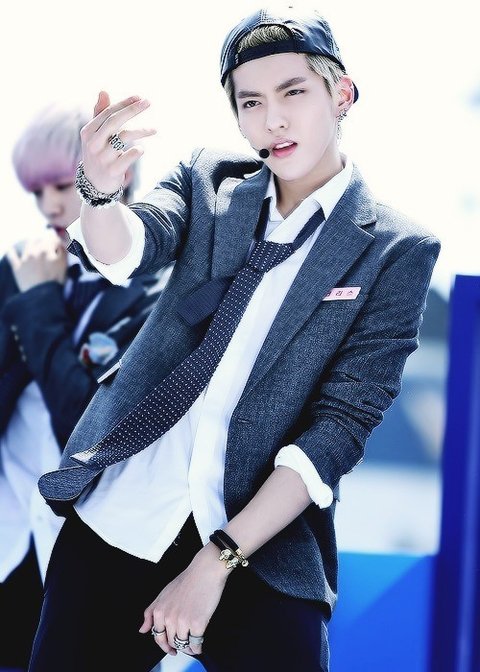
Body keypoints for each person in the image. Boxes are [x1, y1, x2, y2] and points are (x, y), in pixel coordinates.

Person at [30, 8, 440, 672]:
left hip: (263, 542)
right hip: (123, 513)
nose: (272, 119)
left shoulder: (396, 248)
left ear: (341, 94)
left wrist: (214, 562)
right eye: (251, 102)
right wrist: (99, 195)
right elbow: (131, 248)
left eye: (292, 92)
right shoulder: (210, 179)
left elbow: (339, 427)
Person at [0, 103, 170, 670]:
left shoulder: (153, 290)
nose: (50, 205)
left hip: (86, 550)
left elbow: (88, 427)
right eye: (37, 191)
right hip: (8, 535)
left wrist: (38, 305)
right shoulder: (17, 268)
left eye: (62, 184)